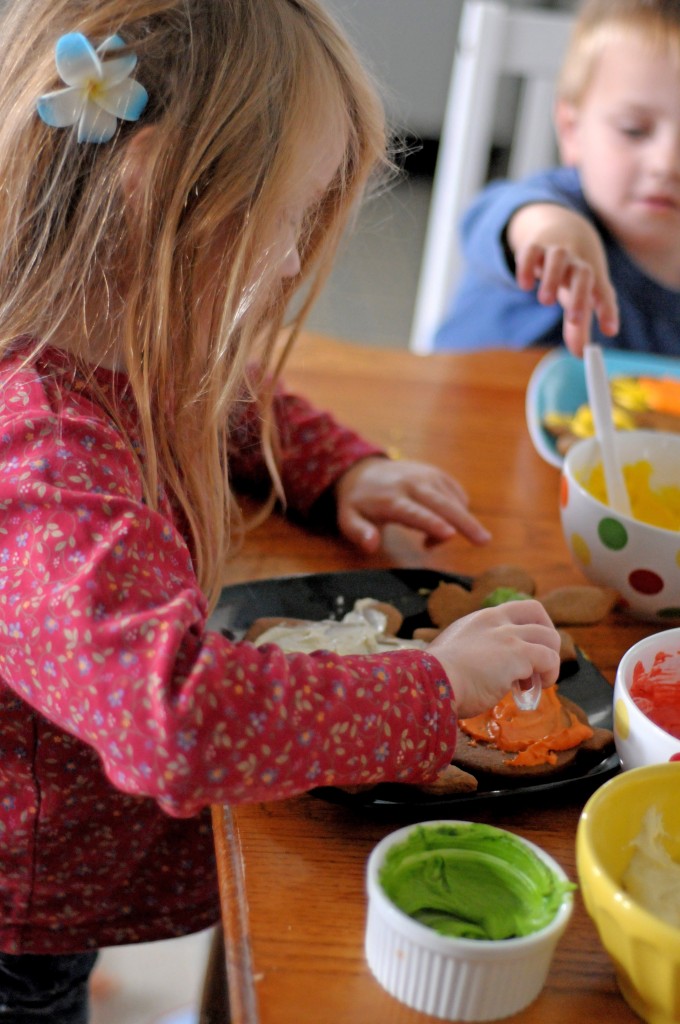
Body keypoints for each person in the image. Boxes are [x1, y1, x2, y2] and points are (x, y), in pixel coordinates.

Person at [0, 1, 562, 1020]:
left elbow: (213, 386)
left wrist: (333, 468)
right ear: (163, 192)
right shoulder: (35, 464)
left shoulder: (104, 328)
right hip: (21, 922)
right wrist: (428, 686)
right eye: (296, 218)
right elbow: (180, 721)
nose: (304, 259)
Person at [433, 0, 680, 356]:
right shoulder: (551, 201)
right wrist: (551, 235)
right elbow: (500, 217)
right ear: (571, 130)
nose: (667, 163)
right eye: (634, 130)